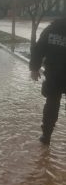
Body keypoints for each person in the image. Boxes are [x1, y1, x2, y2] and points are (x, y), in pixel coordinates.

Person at [30, 17, 66, 145]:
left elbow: (38, 49)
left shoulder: (51, 29)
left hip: (54, 75)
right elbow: (39, 49)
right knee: (52, 104)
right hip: (54, 75)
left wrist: (34, 68)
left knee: (52, 104)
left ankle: (46, 135)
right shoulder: (51, 30)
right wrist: (34, 68)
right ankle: (46, 135)